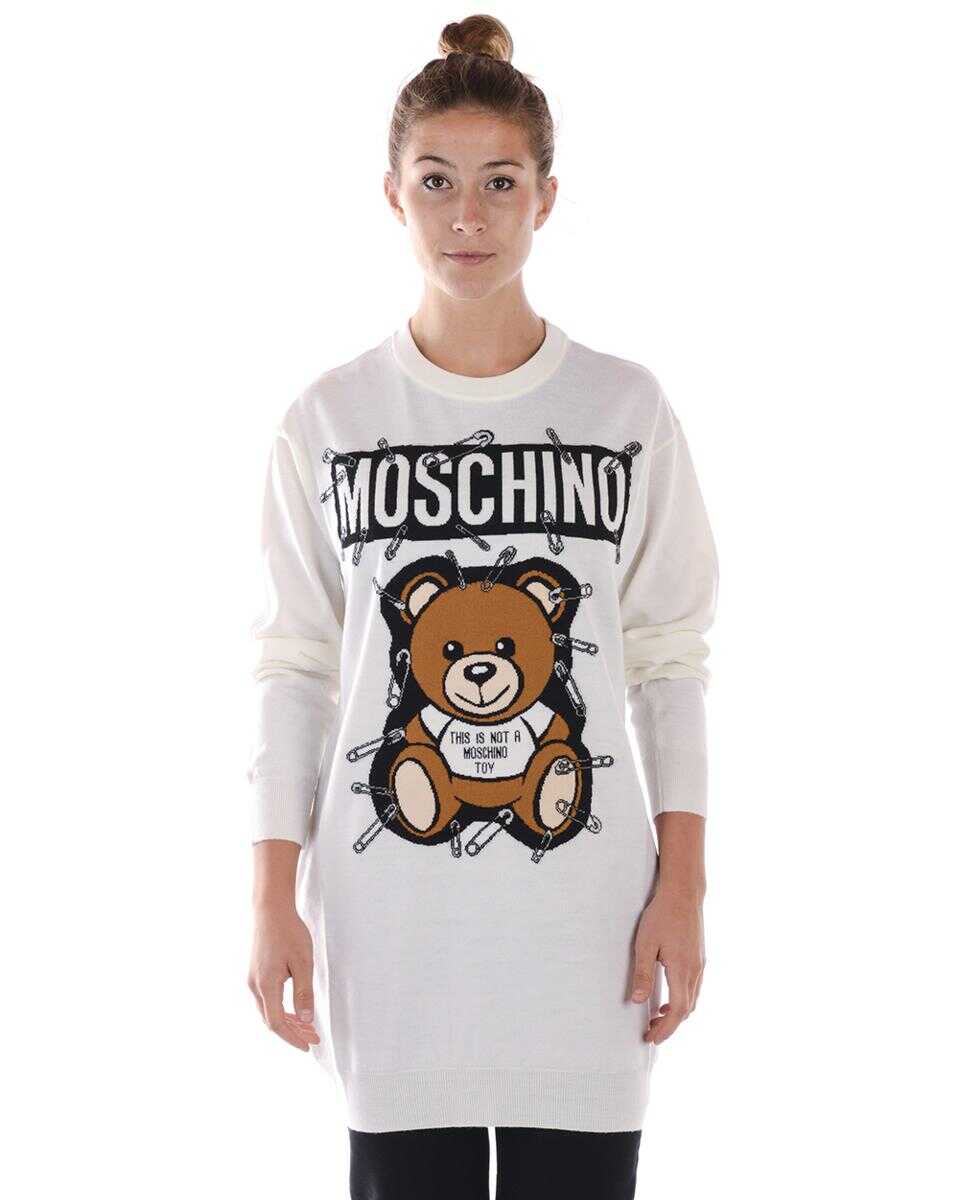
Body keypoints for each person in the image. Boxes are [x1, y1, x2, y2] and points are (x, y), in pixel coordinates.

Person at [246, 14, 719, 1199]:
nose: (468, 215)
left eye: (500, 182)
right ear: (391, 196)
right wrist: (269, 898)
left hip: (586, 916)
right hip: (389, 919)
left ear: (545, 198)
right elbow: (295, 666)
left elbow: (668, 659)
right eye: (437, 181)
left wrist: (682, 886)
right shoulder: (329, 418)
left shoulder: (623, 408)